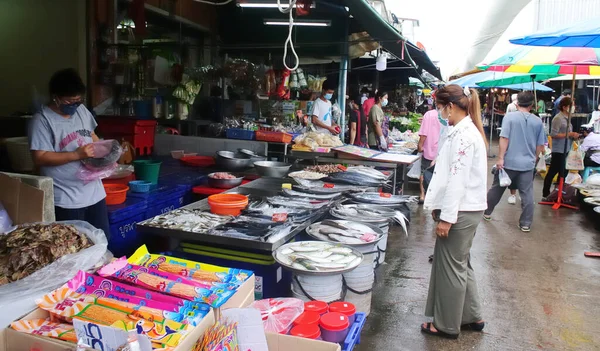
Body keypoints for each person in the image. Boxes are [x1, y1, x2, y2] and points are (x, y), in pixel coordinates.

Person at [421, 84, 488, 339]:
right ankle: (472, 316)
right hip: (467, 209)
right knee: (461, 263)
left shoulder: (464, 135)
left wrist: (447, 219)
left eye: (439, 107)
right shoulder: (462, 130)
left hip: (461, 211)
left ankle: (447, 325)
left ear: (449, 106)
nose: (438, 112)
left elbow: (457, 181)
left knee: (450, 268)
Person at [29, 68, 110, 238]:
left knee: (103, 243)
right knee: (75, 249)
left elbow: (92, 135)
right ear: (55, 97)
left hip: (94, 194)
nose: (74, 105)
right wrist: (76, 155)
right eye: (69, 101)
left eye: (78, 100)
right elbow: (40, 157)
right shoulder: (42, 120)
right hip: (66, 199)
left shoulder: (81, 111)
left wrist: (107, 152)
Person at [483, 92, 546, 232]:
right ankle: (525, 224)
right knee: (527, 194)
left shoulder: (509, 118)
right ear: (532, 105)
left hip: (508, 162)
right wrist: (534, 159)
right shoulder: (537, 121)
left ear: (517, 103)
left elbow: (504, 138)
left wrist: (500, 158)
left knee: (496, 189)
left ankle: (486, 212)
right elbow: (540, 146)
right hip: (527, 164)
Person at [543, 97, 580, 199]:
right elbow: (553, 134)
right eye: (571, 106)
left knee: (563, 172)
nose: (573, 108)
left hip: (566, 148)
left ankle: (558, 193)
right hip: (559, 149)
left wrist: (573, 136)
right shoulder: (558, 118)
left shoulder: (568, 118)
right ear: (564, 107)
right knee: (553, 171)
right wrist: (569, 134)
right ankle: (546, 193)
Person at [417, 108, 442, 203]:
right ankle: (434, 197)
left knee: (424, 172)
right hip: (441, 151)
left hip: (429, 149)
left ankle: (422, 195)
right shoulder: (449, 115)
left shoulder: (429, 114)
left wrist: (420, 145)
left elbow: (424, 133)